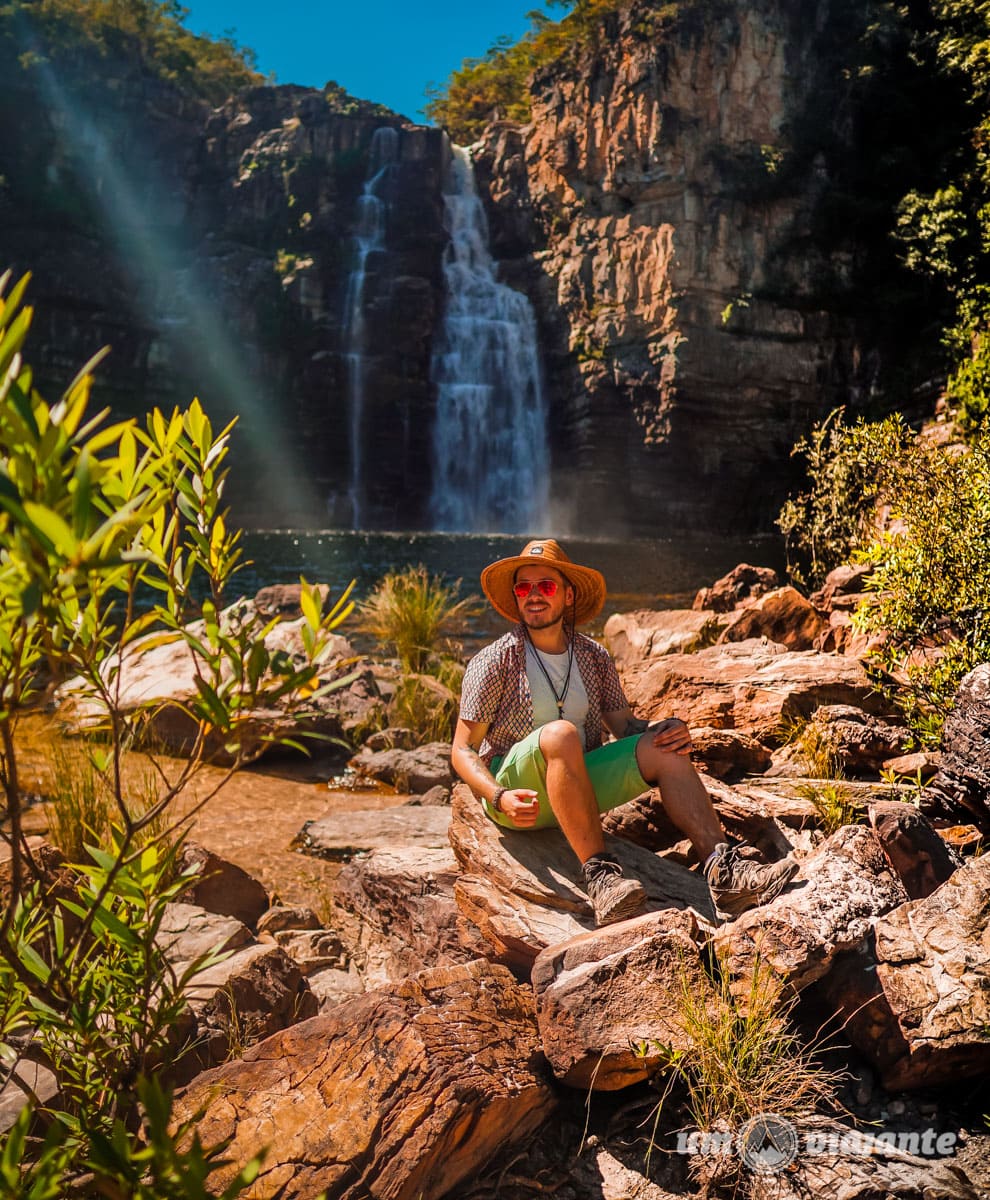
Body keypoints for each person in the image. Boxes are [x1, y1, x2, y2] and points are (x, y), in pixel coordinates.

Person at [451, 539, 797, 926]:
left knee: (665, 747)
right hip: (518, 795)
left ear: (567, 595)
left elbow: (625, 728)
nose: (533, 596)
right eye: (523, 587)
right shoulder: (495, 660)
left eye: (545, 586)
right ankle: (601, 879)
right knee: (562, 734)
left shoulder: (593, 656)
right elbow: (462, 750)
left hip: (574, 786)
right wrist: (498, 797)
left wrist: (667, 729)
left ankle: (725, 874)